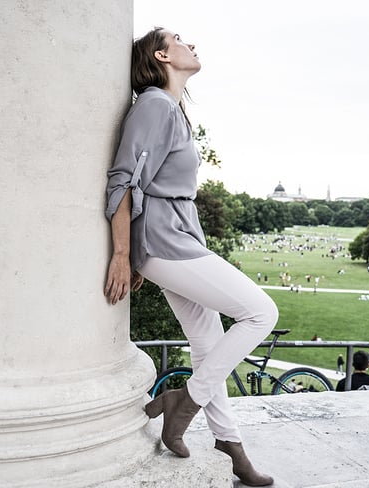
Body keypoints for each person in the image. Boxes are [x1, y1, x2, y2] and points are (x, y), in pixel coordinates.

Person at [103, 27, 275, 486]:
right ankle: (185, 400)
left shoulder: (173, 109)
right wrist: (125, 253)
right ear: (161, 55)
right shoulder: (155, 105)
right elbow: (122, 179)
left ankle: (230, 445)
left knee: (206, 341)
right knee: (261, 312)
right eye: (178, 38)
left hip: (178, 237)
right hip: (164, 241)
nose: (190, 43)